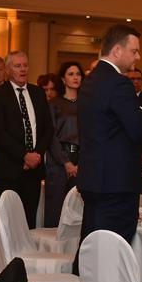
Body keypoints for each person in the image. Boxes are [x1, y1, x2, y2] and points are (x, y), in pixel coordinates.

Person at [77, 25, 142, 249]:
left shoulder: (91, 79)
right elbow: (138, 129)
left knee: (92, 245)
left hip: (94, 178)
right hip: (116, 183)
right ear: (117, 50)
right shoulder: (119, 83)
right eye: (134, 51)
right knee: (113, 250)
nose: (138, 57)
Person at [0, 50, 54, 228]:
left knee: (28, 223)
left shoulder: (38, 93)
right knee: (6, 223)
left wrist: (36, 155)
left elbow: (48, 129)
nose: (23, 69)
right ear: (8, 70)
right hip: (8, 170)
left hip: (34, 171)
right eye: (18, 66)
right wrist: (24, 156)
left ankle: (26, 249)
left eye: (25, 65)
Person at [43, 60, 83, 229]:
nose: (75, 77)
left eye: (78, 74)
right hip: (58, 160)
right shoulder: (54, 103)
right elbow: (50, 136)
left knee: (78, 211)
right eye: (71, 74)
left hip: (81, 160)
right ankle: (50, 245)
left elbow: (91, 135)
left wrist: (80, 162)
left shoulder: (87, 103)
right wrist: (66, 162)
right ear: (63, 79)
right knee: (55, 210)